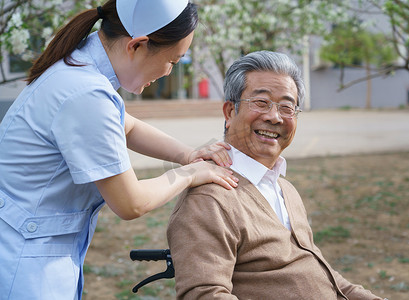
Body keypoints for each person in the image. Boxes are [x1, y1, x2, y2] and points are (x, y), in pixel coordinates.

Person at [0, 1, 239, 299]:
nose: (168, 73)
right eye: (173, 62)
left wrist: (188, 155)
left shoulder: (81, 66)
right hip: (24, 268)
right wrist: (191, 173)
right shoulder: (86, 93)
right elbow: (130, 203)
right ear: (137, 45)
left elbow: (128, 126)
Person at [167, 51, 386, 300]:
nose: (274, 116)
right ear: (229, 112)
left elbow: (320, 272)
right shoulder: (209, 199)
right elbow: (204, 295)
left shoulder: (285, 188)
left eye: (286, 107)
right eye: (261, 103)